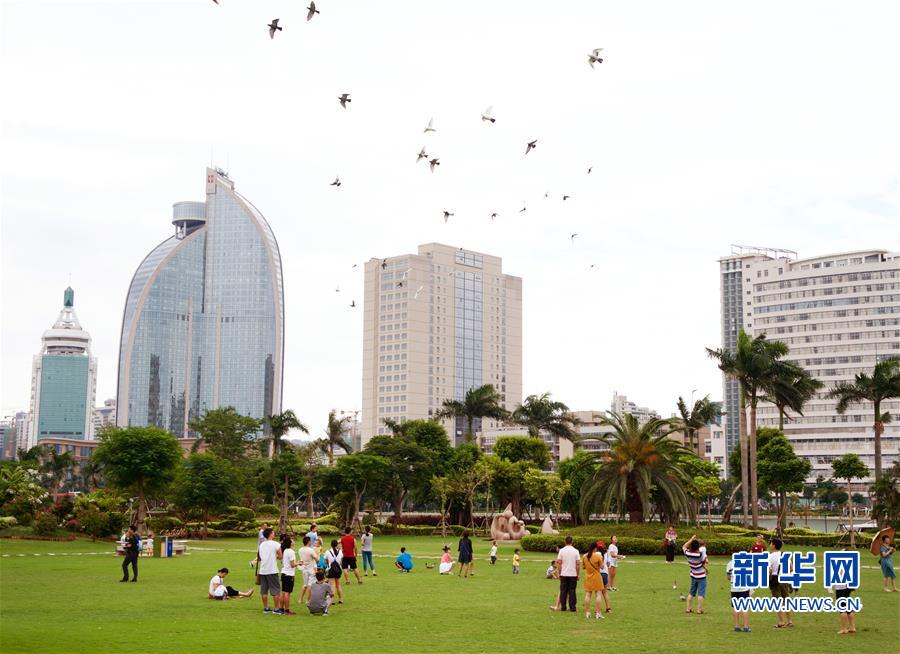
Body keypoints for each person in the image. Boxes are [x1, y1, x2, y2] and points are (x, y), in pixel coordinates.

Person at [768, 537, 793, 628]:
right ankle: (790, 621)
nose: (770, 544)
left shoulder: (770, 556)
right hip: (785, 579)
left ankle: (781, 622)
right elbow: (791, 568)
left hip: (775, 580)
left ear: (774, 545)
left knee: (777, 601)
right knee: (786, 600)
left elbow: (769, 570)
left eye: (771, 543)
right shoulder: (784, 555)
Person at [258, 527, 283, 614]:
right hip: (272, 569)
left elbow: (260, 557)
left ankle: (266, 608)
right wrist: (274, 556)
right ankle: (276, 608)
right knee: (275, 589)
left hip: (263, 570)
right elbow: (280, 556)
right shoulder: (276, 544)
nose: (274, 533)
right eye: (273, 532)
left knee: (264, 590)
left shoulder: (261, 545)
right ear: (270, 534)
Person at [683, 535, 707, 615]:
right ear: (698, 547)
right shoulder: (700, 554)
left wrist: (691, 539)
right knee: (701, 593)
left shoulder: (688, 553)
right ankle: (699, 609)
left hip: (693, 575)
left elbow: (684, 546)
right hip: (701, 576)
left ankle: (688, 608)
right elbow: (704, 562)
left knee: (691, 593)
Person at [726, 553, 750, 632]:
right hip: (744, 588)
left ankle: (736, 626)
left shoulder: (730, 563)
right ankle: (746, 627)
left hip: (734, 588)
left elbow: (728, 577)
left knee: (735, 607)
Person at [581, 541, 606, 620]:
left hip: (588, 577)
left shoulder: (585, 557)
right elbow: (602, 567)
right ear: (595, 548)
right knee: (598, 594)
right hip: (597, 577)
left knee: (588, 595)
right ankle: (598, 613)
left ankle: (587, 613)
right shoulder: (598, 556)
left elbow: (584, 567)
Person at [557, 535, 581, 612]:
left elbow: (559, 563)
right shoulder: (576, 551)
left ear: (565, 542)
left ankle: (563, 606)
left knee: (563, 590)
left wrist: (559, 573)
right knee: (572, 591)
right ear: (572, 542)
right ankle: (572, 607)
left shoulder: (561, 551)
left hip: (564, 573)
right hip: (573, 573)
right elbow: (577, 564)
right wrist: (578, 574)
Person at [830, 569, 857, 634]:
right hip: (849, 586)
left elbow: (840, 573)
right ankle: (852, 627)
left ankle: (844, 629)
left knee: (842, 608)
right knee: (848, 607)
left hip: (841, 587)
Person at [280, 535, 298, 615]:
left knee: (283, 592)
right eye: (292, 540)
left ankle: (281, 608)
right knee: (287, 593)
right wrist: (299, 563)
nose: (293, 541)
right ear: (290, 543)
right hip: (289, 574)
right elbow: (292, 564)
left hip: (283, 573)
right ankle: (287, 610)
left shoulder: (285, 551)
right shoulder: (291, 552)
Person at [297, 536, 317, 605]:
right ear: (308, 542)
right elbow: (316, 559)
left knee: (305, 585)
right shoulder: (311, 550)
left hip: (304, 569)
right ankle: (308, 600)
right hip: (311, 569)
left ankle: (300, 599)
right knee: (310, 585)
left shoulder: (300, 550)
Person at [324, 539, 344, 604]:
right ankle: (341, 599)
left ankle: (332, 601)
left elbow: (325, 562)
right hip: (338, 570)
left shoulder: (328, 551)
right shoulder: (340, 552)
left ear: (331, 545)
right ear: (337, 545)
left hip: (331, 570)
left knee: (332, 585)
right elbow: (341, 562)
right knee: (338, 585)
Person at [596, 542, 612, 613]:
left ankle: (598, 609)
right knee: (605, 592)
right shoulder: (607, 553)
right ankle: (608, 608)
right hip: (605, 574)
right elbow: (608, 564)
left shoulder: (596, 554)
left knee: (598, 593)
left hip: (598, 574)